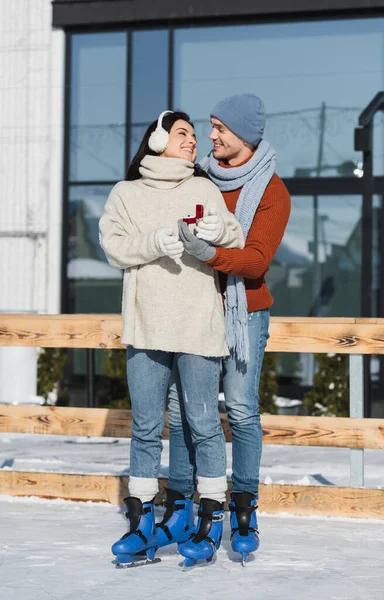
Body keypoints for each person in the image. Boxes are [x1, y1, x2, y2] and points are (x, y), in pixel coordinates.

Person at [99, 110, 244, 568]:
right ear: (158, 139)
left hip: (198, 325)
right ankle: (141, 520)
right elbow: (113, 247)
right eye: (183, 133)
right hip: (146, 324)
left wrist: (216, 230)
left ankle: (209, 518)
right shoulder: (126, 194)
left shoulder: (204, 189)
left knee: (203, 425)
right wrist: (156, 241)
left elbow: (235, 237)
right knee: (145, 427)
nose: (193, 142)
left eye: (196, 136)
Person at [164, 94, 291, 564]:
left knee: (239, 409)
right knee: (186, 411)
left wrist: (208, 254)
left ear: (244, 135)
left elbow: (256, 260)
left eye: (219, 128)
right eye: (209, 126)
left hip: (244, 313)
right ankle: (188, 505)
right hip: (195, 308)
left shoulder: (272, 192)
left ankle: (243, 507)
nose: (210, 135)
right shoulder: (197, 178)